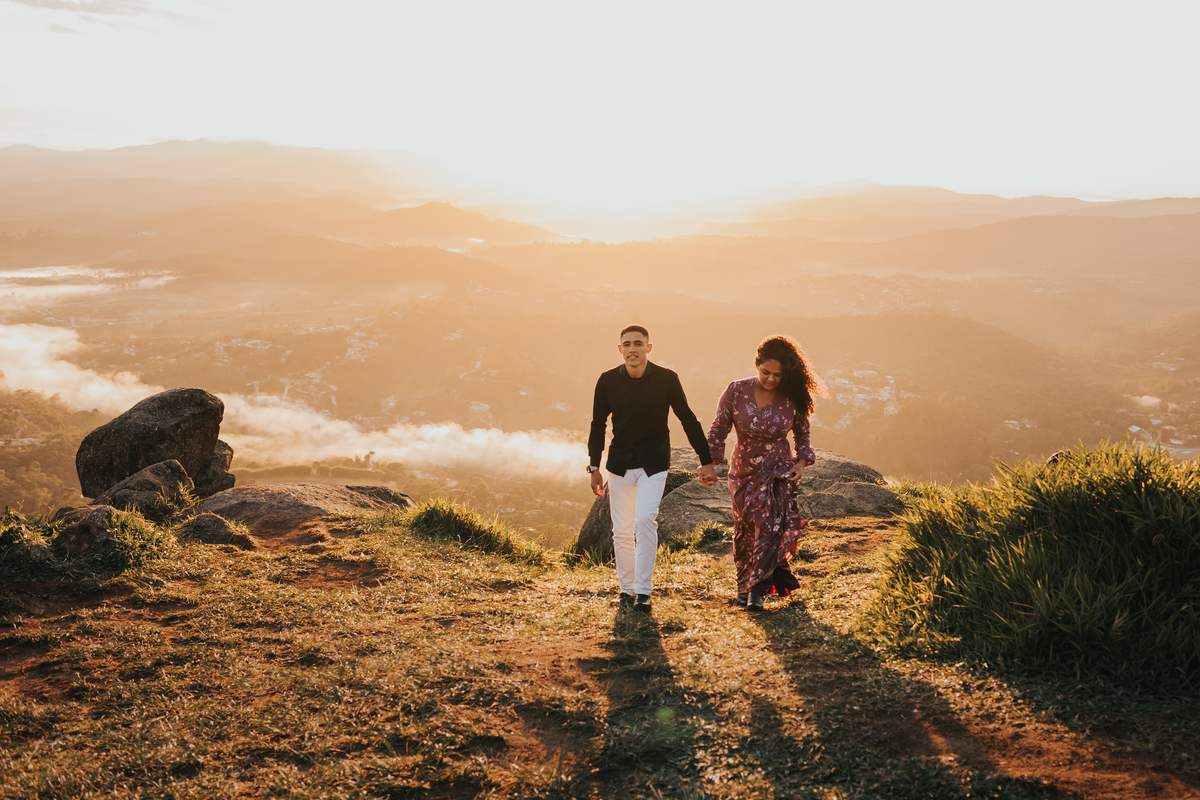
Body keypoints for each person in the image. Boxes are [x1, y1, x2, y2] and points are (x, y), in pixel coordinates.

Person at [589, 325, 719, 614]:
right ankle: (627, 590)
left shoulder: (666, 379)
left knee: (645, 520)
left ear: (648, 347)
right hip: (619, 464)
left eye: (638, 343)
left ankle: (643, 592)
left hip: (654, 463)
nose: (632, 349)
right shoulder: (607, 381)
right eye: (626, 344)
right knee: (621, 530)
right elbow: (598, 424)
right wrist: (593, 466)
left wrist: (706, 460)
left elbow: (687, 419)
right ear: (619, 349)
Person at [705, 335, 822, 612]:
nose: (771, 379)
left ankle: (757, 591)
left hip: (777, 471)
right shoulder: (736, 391)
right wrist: (709, 462)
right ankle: (742, 588)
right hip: (742, 470)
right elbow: (719, 428)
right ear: (757, 365)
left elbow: (802, 433)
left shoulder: (793, 396)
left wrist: (800, 463)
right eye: (766, 372)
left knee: (769, 526)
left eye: (778, 375)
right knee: (744, 530)